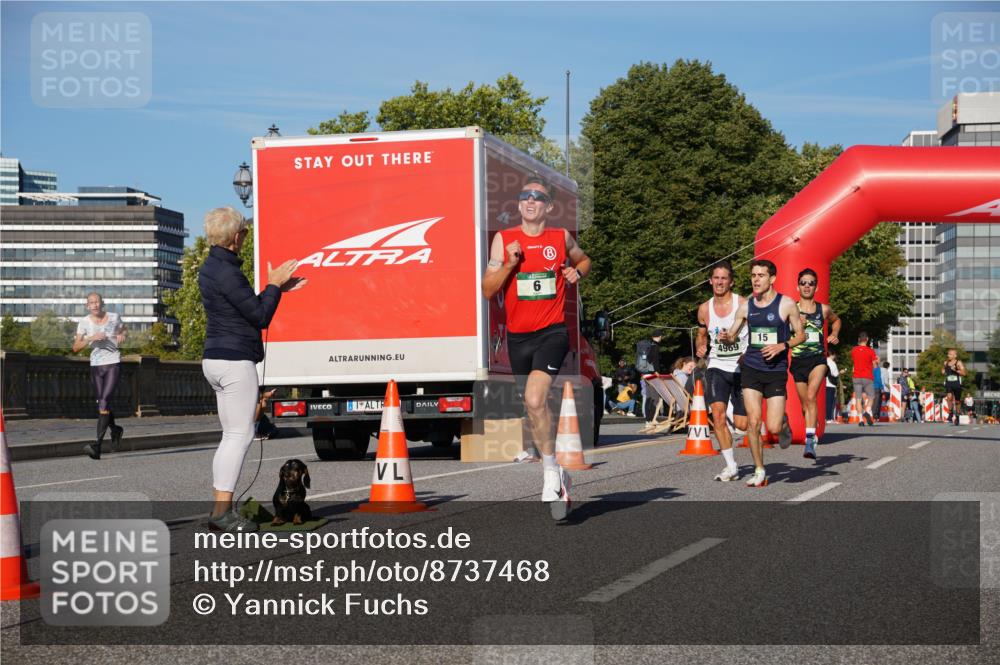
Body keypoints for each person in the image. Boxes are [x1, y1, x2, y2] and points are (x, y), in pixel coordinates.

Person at [482, 177, 591, 519]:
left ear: (549, 206)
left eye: (537, 197)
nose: (530, 201)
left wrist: (577, 273)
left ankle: (549, 472)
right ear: (518, 204)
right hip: (518, 338)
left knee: (534, 399)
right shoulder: (504, 240)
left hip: (552, 333)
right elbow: (487, 290)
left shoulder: (560, 237)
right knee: (532, 408)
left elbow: (584, 260)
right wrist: (510, 264)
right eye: (524, 196)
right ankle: (558, 472)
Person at [199, 207, 305, 532]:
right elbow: (260, 316)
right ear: (237, 236)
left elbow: (243, 308)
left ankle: (220, 508)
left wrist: (276, 290)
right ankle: (222, 513)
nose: (245, 236)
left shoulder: (211, 267)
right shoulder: (228, 272)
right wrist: (273, 285)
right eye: (245, 232)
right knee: (240, 435)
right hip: (235, 361)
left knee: (230, 436)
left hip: (214, 358)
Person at [719, 259, 805, 488]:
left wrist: (782, 346)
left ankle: (783, 424)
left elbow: (801, 335)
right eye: (753, 275)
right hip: (751, 368)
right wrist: (726, 337)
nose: (756, 280)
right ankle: (759, 470)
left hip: (775, 371)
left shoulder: (786, 304)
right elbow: (733, 336)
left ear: (772, 278)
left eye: (761, 275)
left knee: (773, 427)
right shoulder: (746, 306)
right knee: (754, 422)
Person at [695, 259, 748, 482]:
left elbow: (757, 332)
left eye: (724, 278)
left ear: (731, 282)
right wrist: (701, 345)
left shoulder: (743, 304)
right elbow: (701, 334)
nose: (719, 282)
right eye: (716, 278)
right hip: (717, 366)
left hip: (742, 367)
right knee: (717, 414)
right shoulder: (704, 309)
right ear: (710, 281)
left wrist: (749, 354)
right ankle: (731, 466)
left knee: (742, 425)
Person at [790, 268, 841, 459]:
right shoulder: (791, 309)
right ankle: (812, 423)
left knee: (811, 397)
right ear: (798, 286)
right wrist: (795, 325)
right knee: (806, 405)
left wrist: (834, 333)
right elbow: (781, 332)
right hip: (798, 360)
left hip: (818, 359)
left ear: (816, 287)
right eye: (803, 283)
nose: (807, 286)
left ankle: (809, 440)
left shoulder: (824, 309)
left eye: (811, 283)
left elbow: (836, 320)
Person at [72, 292, 127, 460]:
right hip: (96, 365)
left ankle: (97, 446)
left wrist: (122, 335)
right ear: (87, 306)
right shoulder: (84, 322)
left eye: (97, 302)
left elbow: (124, 330)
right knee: (102, 404)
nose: (95, 304)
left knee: (104, 402)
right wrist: (91, 338)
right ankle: (115, 429)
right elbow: (75, 347)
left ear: (102, 303)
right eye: (91, 302)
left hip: (113, 363)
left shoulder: (114, 317)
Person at [850, 333, 879, 426]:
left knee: (858, 399)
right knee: (871, 396)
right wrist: (876, 362)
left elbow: (854, 361)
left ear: (859, 339)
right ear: (867, 339)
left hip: (856, 377)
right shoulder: (871, 351)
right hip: (867, 377)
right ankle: (867, 411)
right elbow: (875, 365)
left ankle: (860, 420)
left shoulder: (854, 350)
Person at [637, 329, 664, 424]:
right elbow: (655, 361)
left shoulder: (648, 346)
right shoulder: (655, 346)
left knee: (649, 397)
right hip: (652, 375)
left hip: (645, 374)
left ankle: (648, 419)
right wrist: (657, 372)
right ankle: (651, 419)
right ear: (659, 336)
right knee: (654, 397)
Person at [942, 349, 966, 426]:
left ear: (955, 355)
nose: (948, 355)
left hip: (957, 384)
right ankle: (950, 413)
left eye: (950, 354)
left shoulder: (958, 362)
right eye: (948, 354)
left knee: (957, 401)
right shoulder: (946, 362)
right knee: (949, 397)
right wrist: (943, 371)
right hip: (949, 383)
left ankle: (957, 416)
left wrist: (956, 370)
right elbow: (943, 370)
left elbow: (964, 373)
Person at [825, 355, 840, 423]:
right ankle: (828, 418)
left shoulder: (823, 360)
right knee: (829, 402)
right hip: (830, 385)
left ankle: (823, 417)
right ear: (833, 355)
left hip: (823, 384)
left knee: (823, 402)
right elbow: (836, 374)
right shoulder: (832, 363)